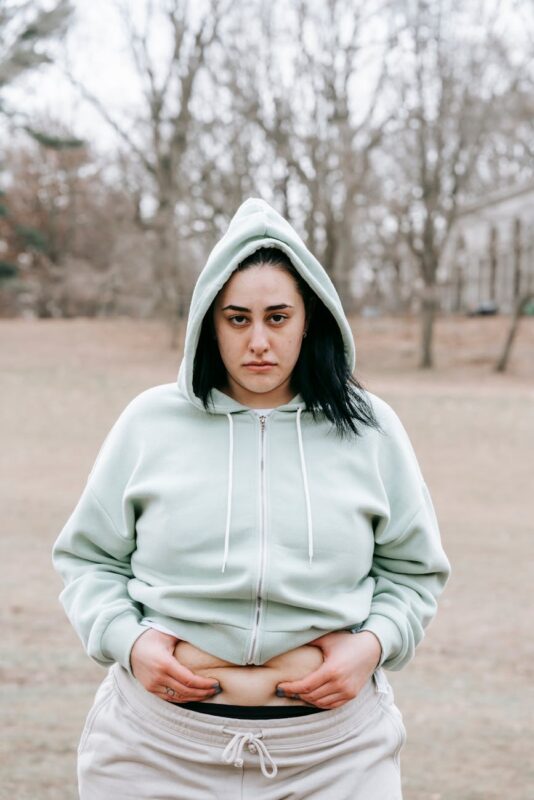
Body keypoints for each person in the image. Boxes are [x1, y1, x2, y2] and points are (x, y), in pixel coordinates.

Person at [52, 197, 451, 799]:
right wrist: (127, 642)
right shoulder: (149, 422)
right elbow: (89, 560)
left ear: (309, 319)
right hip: (156, 750)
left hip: (335, 757)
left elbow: (413, 571)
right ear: (209, 324)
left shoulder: (371, 429)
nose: (258, 341)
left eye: (278, 317)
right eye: (238, 319)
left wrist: (373, 646)